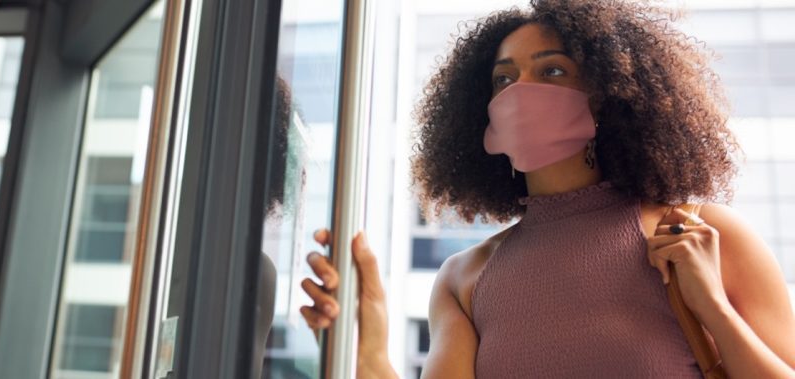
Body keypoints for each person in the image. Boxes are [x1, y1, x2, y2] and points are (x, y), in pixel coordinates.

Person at [300, 0, 795, 377]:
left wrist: (713, 307)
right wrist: (365, 351)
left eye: (551, 71)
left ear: (606, 96)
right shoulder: (464, 279)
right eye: (503, 79)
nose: (519, 91)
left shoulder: (700, 234)